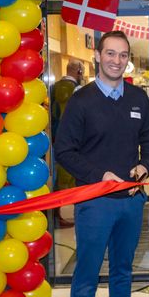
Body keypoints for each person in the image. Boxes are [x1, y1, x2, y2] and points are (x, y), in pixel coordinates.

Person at [54, 31, 149, 297]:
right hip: (95, 203)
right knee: (86, 274)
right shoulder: (81, 100)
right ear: (98, 56)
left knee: (123, 269)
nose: (117, 60)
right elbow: (64, 150)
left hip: (131, 202)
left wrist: (145, 165)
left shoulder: (138, 98)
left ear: (128, 59)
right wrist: (99, 176)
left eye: (123, 55)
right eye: (111, 54)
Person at [51, 59, 85, 227]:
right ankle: (80, 215)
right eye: (82, 71)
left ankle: (57, 216)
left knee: (59, 179)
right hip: (74, 141)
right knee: (76, 176)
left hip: (57, 139)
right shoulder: (78, 90)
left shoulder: (53, 88)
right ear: (78, 71)